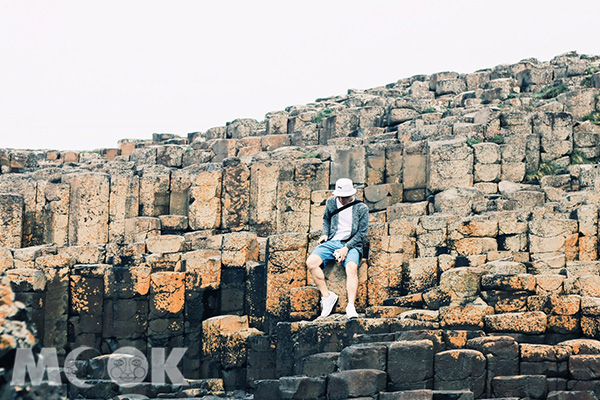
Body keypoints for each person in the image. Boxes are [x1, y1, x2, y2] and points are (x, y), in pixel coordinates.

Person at [306, 178, 369, 319]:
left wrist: (346, 248)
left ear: (351, 194)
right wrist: (325, 234)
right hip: (333, 241)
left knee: (351, 267)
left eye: (344, 197)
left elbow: (361, 234)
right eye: (339, 196)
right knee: (311, 262)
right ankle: (327, 297)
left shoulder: (361, 208)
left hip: (352, 243)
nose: (341, 199)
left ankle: (351, 306)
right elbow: (326, 219)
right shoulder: (331, 201)